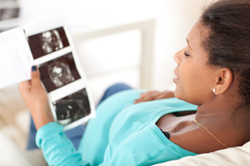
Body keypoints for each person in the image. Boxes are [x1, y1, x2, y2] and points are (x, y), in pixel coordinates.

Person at [18, 0, 250, 165]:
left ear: (220, 80)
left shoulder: (136, 155)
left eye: (188, 53)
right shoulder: (232, 111)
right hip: (115, 123)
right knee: (116, 88)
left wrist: (44, 121)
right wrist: (174, 95)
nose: (177, 56)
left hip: (84, 152)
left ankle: (35, 154)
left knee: (42, 102)